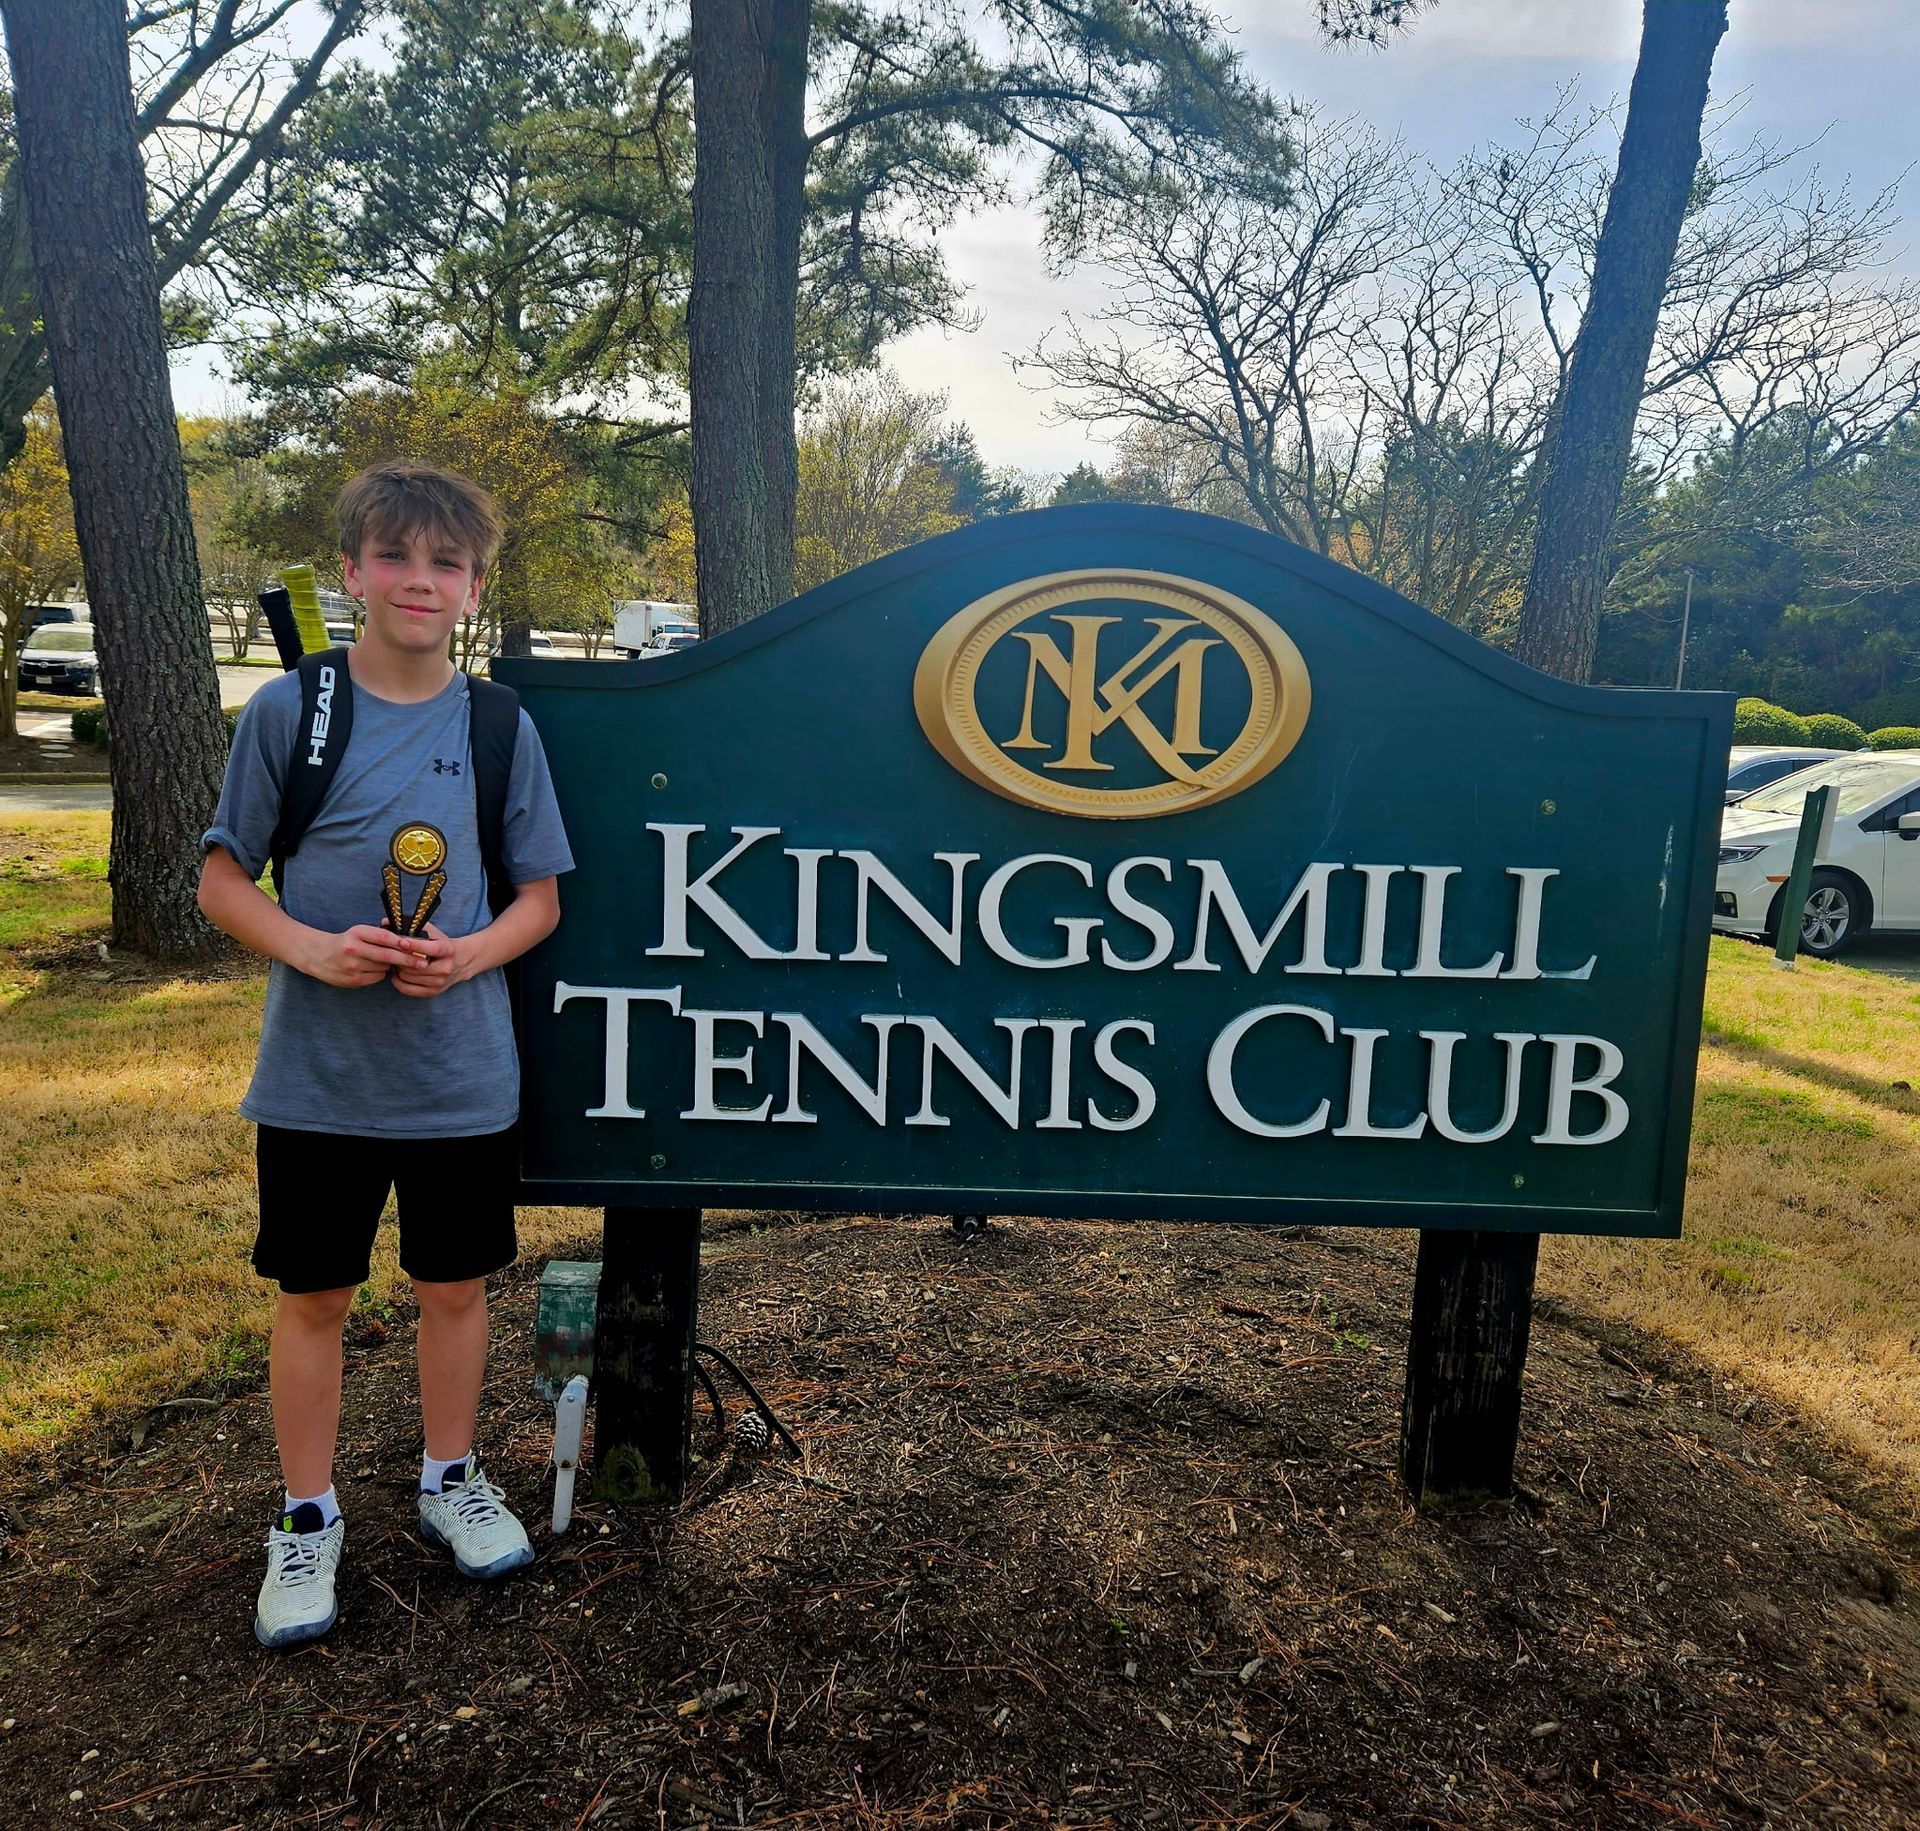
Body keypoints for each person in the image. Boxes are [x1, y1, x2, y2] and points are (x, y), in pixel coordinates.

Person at [199, 460, 574, 1649]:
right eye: (397, 558)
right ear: (354, 570)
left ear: (472, 584)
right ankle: (306, 1520)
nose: (421, 580)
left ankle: (448, 1477)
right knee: (314, 1295)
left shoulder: (502, 725)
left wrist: (467, 958)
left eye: (446, 563)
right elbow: (220, 881)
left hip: (461, 1077)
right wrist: (310, 946)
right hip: (319, 1080)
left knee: (454, 1287)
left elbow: (540, 901)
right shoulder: (291, 713)